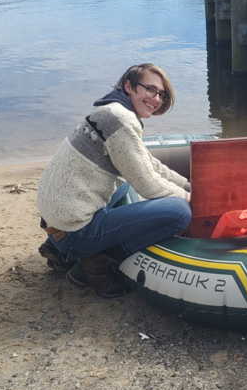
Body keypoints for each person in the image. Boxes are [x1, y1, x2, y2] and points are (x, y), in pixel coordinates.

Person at [36, 63, 192, 297]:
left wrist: (188, 184)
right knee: (180, 212)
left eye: (161, 94)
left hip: (55, 219)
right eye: (150, 89)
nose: (156, 98)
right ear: (129, 86)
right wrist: (191, 198)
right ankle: (96, 266)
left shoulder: (111, 109)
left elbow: (148, 164)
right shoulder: (121, 120)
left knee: (125, 181)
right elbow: (149, 186)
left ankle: (57, 247)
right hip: (74, 231)